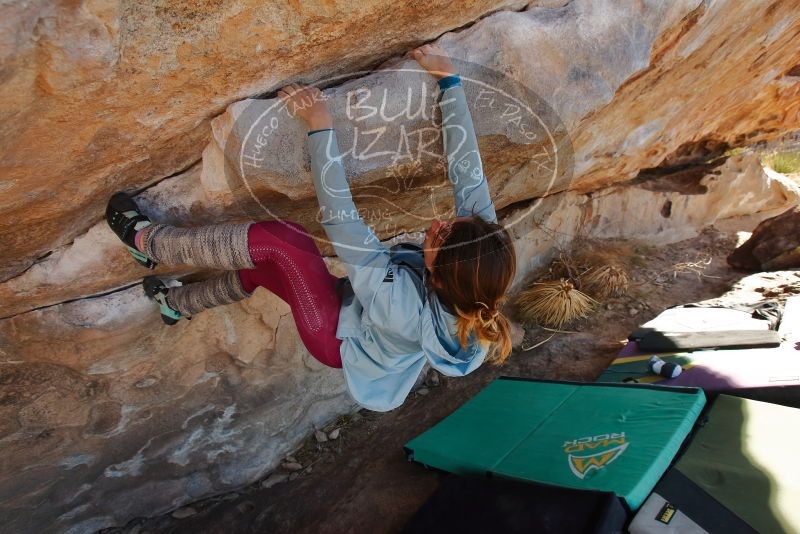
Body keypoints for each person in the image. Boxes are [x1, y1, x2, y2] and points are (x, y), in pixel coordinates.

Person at [105, 44, 517, 412]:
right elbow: (468, 173)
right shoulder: (480, 256)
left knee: (285, 244)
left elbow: (342, 220)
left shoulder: (402, 307)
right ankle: (175, 305)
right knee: (266, 270)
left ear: (442, 279)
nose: (437, 224)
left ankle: (148, 242)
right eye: (450, 224)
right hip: (363, 316)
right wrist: (449, 82)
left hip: (336, 338)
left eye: (439, 238)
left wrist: (320, 127)